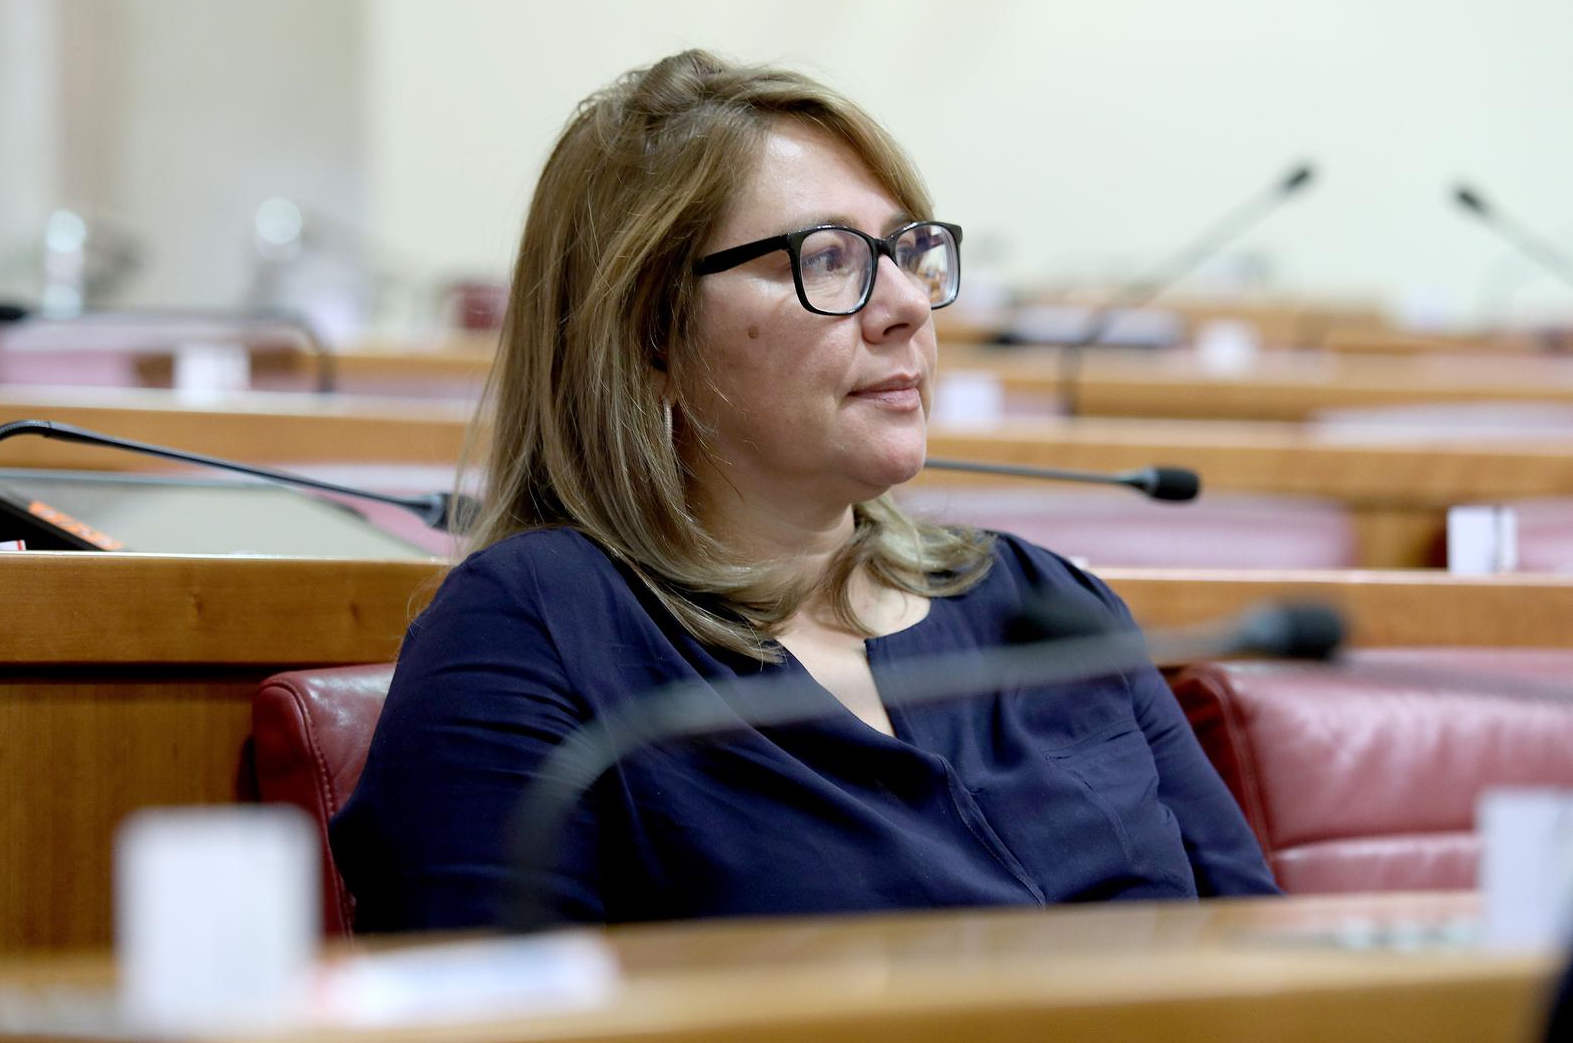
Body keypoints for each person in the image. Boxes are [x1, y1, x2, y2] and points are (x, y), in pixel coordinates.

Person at [330, 49, 1277, 932]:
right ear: (651, 333)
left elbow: (1270, 960)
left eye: (906, 251)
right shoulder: (536, 629)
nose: (904, 304)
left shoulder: (1044, 606)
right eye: (828, 259)